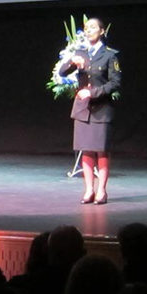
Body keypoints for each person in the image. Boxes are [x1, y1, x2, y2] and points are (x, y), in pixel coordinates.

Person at [58, 17, 121, 205]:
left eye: (93, 27)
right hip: (82, 110)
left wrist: (92, 93)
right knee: (86, 150)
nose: (88, 30)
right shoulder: (80, 52)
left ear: (102, 31)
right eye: (86, 28)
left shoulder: (110, 55)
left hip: (101, 109)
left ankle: (101, 190)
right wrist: (71, 63)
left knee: (101, 151)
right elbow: (62, 72)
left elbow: (115, 83)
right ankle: (88, 190)